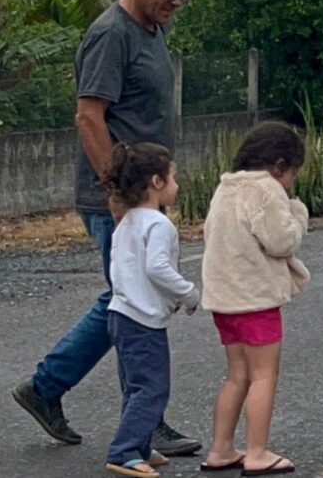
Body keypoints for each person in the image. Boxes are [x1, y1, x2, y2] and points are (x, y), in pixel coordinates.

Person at [12, 0, 203, 456]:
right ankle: (142, 421)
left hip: (145, 197)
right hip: (116, 202)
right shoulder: (110, 34)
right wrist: (118, 197)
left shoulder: (152, 30)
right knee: (131, 301)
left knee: (124, 299)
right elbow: (89, 116)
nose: (175, 2)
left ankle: (48, 389)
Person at [200, 121, 311, 476]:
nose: (291, 181)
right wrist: (298, 214)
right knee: (265, 375)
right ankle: (257, 452)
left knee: (237, 375)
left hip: (224, 299)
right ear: (279, 165)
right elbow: (282, 241)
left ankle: (220, 448)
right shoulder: (266, 189)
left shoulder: (226, 187)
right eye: (292, 172)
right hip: (256, 299)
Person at [101, 142, 199, 478]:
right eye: (173, 177)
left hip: (120, 313)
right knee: (152, 388)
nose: (177, 185)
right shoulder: (159, 224)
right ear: (156, 182)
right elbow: (157, 268)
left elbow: (125, 269)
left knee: (135, 386)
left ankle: (140, 445)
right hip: (143, 322)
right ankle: (124, 450)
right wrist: (188, 294)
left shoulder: (126, 221)